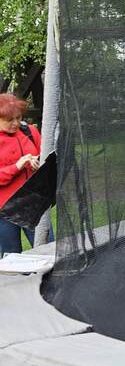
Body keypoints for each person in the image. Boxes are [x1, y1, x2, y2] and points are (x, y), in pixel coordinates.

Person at [0, 94, 42, 255]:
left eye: (18, 118)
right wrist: (16, 167)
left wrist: (38, 164)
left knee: (46, 250)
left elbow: (45, 157)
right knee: (12, 256)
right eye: (9, 120)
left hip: (34, 204)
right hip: (5, 209)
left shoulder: (30, 131)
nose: (16, 123)